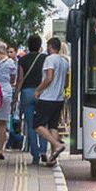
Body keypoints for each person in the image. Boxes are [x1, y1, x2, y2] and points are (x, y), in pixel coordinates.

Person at [33, 37, 70, 167]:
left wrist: (38, 90)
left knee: (37, 125)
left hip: (47, 97)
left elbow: (48, 78)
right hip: (59, 98)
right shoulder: (65, 62)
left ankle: (57, 145)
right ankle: (53, 157)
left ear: (50, 46)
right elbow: (66, 83)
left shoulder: (50, 59)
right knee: (53, 126)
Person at [16, 34, 48, 165]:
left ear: (28, 46)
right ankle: (43, 151)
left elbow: (20, 79)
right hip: (42, 92)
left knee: (30, 125)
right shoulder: (46, 59)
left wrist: (15, 97)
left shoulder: (22, 60)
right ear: (40, 45)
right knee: (43, 123)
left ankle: (35, 155)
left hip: (27, 92)